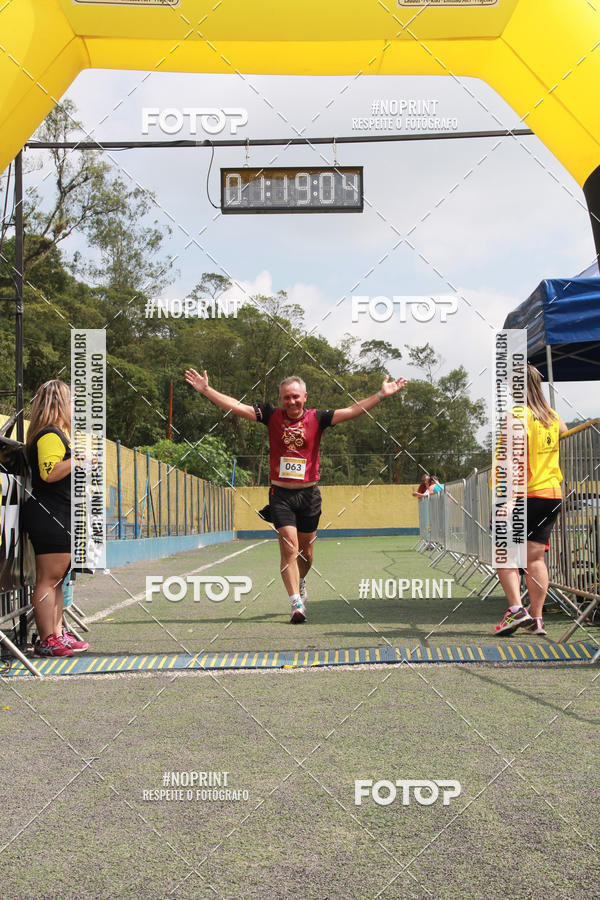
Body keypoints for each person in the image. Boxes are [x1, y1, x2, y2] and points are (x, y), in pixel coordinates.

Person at [185, 368, 407, 622]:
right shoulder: (270, 416)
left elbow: (351, 410)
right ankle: (296, 604)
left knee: (306, 552)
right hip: (281, 496)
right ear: (281, 399)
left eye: (295, 397)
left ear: (305, 397)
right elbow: (236, 406)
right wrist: (206, 390)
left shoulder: (318, 418)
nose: (291, 401)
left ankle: (301, 580)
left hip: (309, 495)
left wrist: (381, 394)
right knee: (289, 549)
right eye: (286, 397)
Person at [494, 364, 567, 637]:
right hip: (550, 493)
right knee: (535, 558)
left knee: (504, 551)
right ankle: (536, 619)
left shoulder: (515, 416)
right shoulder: (551, 415)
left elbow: (513, 461)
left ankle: (515, 609)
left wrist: (510, 501)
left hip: (523, 494)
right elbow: (564, 430)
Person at [22, 380, 89, 657]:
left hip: (60, 514)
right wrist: (78, 459)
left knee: (59, 579)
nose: (75, 407)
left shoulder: (58, 434)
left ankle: (57, 633)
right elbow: (49, 472)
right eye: (71, 401)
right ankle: (47, 638)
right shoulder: (49, 435)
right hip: (50, 515)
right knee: (47, 580)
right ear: (60, 404)